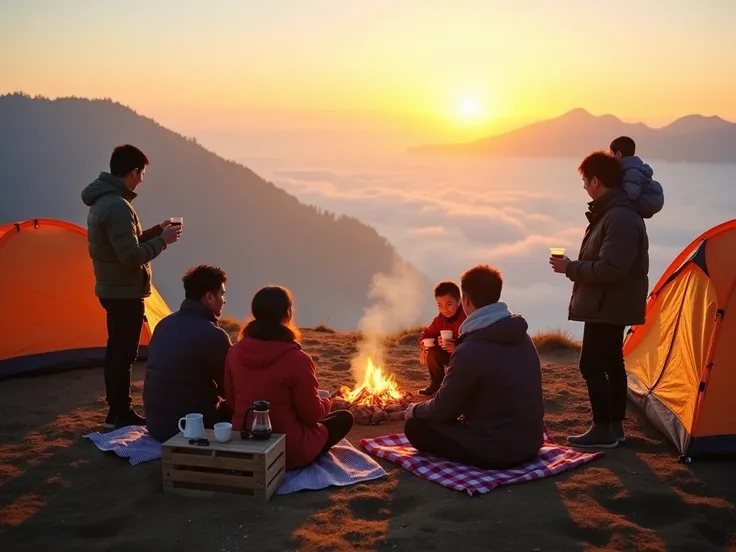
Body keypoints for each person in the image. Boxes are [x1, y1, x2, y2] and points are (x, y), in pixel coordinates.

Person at [550, 151, 649, 448]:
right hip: (609, 303)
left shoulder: (618, 216)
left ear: (595, 181)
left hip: (607, 305)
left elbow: (612, 268)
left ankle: (603, 429)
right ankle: (614, 427)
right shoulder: (613, 212)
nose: (583, 187)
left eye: (584, 180)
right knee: (611, 362)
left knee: (592, 364)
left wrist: (571, 268)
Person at [404, 265, 545, 469]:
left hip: (495, 451)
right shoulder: (523, 338)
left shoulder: (470, 349)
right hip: (531, 443)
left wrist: (415, 410)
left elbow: (444, 409)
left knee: (416, 426)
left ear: (466, 301)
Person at [82, 144, 182, 429]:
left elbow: (126, 242)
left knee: (116, 351)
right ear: (132, 171)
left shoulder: (106, 201)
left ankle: (116, 411)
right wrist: (163, 241)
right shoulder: (117, 206)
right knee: (123, 355)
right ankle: (120, 412)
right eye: (141, 173)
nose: (142, 180)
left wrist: (154, 231)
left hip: (112, 287)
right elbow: (130, 257)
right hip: (123, 291)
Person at [225, 286, 354, 470]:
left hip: (245, 444)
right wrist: (327, 401)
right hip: (287, 452)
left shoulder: (234, 352)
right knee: (343, 418)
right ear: (287, 314)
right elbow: (311, 416)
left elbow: (231, 402)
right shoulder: (298, 360)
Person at [143, 265, 233, 442]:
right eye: (222, 294)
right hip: (193, 427)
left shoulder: (163, 325)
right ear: (208, 297)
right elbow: (231, 389)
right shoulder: (213, 335)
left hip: (157, 426)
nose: (224, 300)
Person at [417, 281, 467, 396]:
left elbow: (475, 341)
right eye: (440, 305)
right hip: (448, 355)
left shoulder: (466, 318)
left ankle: (457, 388)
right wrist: (425, 344)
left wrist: (457, 346)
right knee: (433, 351)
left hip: (465, 357)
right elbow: (426, 333)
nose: (445, 309)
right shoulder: (440, 320)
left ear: (459, 302)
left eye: (449, 304)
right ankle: (436, 385)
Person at [610, 136, 664, 219]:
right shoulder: (633, 168)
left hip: (647, 203)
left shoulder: (631, 172)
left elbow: (632, 194)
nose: (610, 158)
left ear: (618, 154)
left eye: (611, 154)